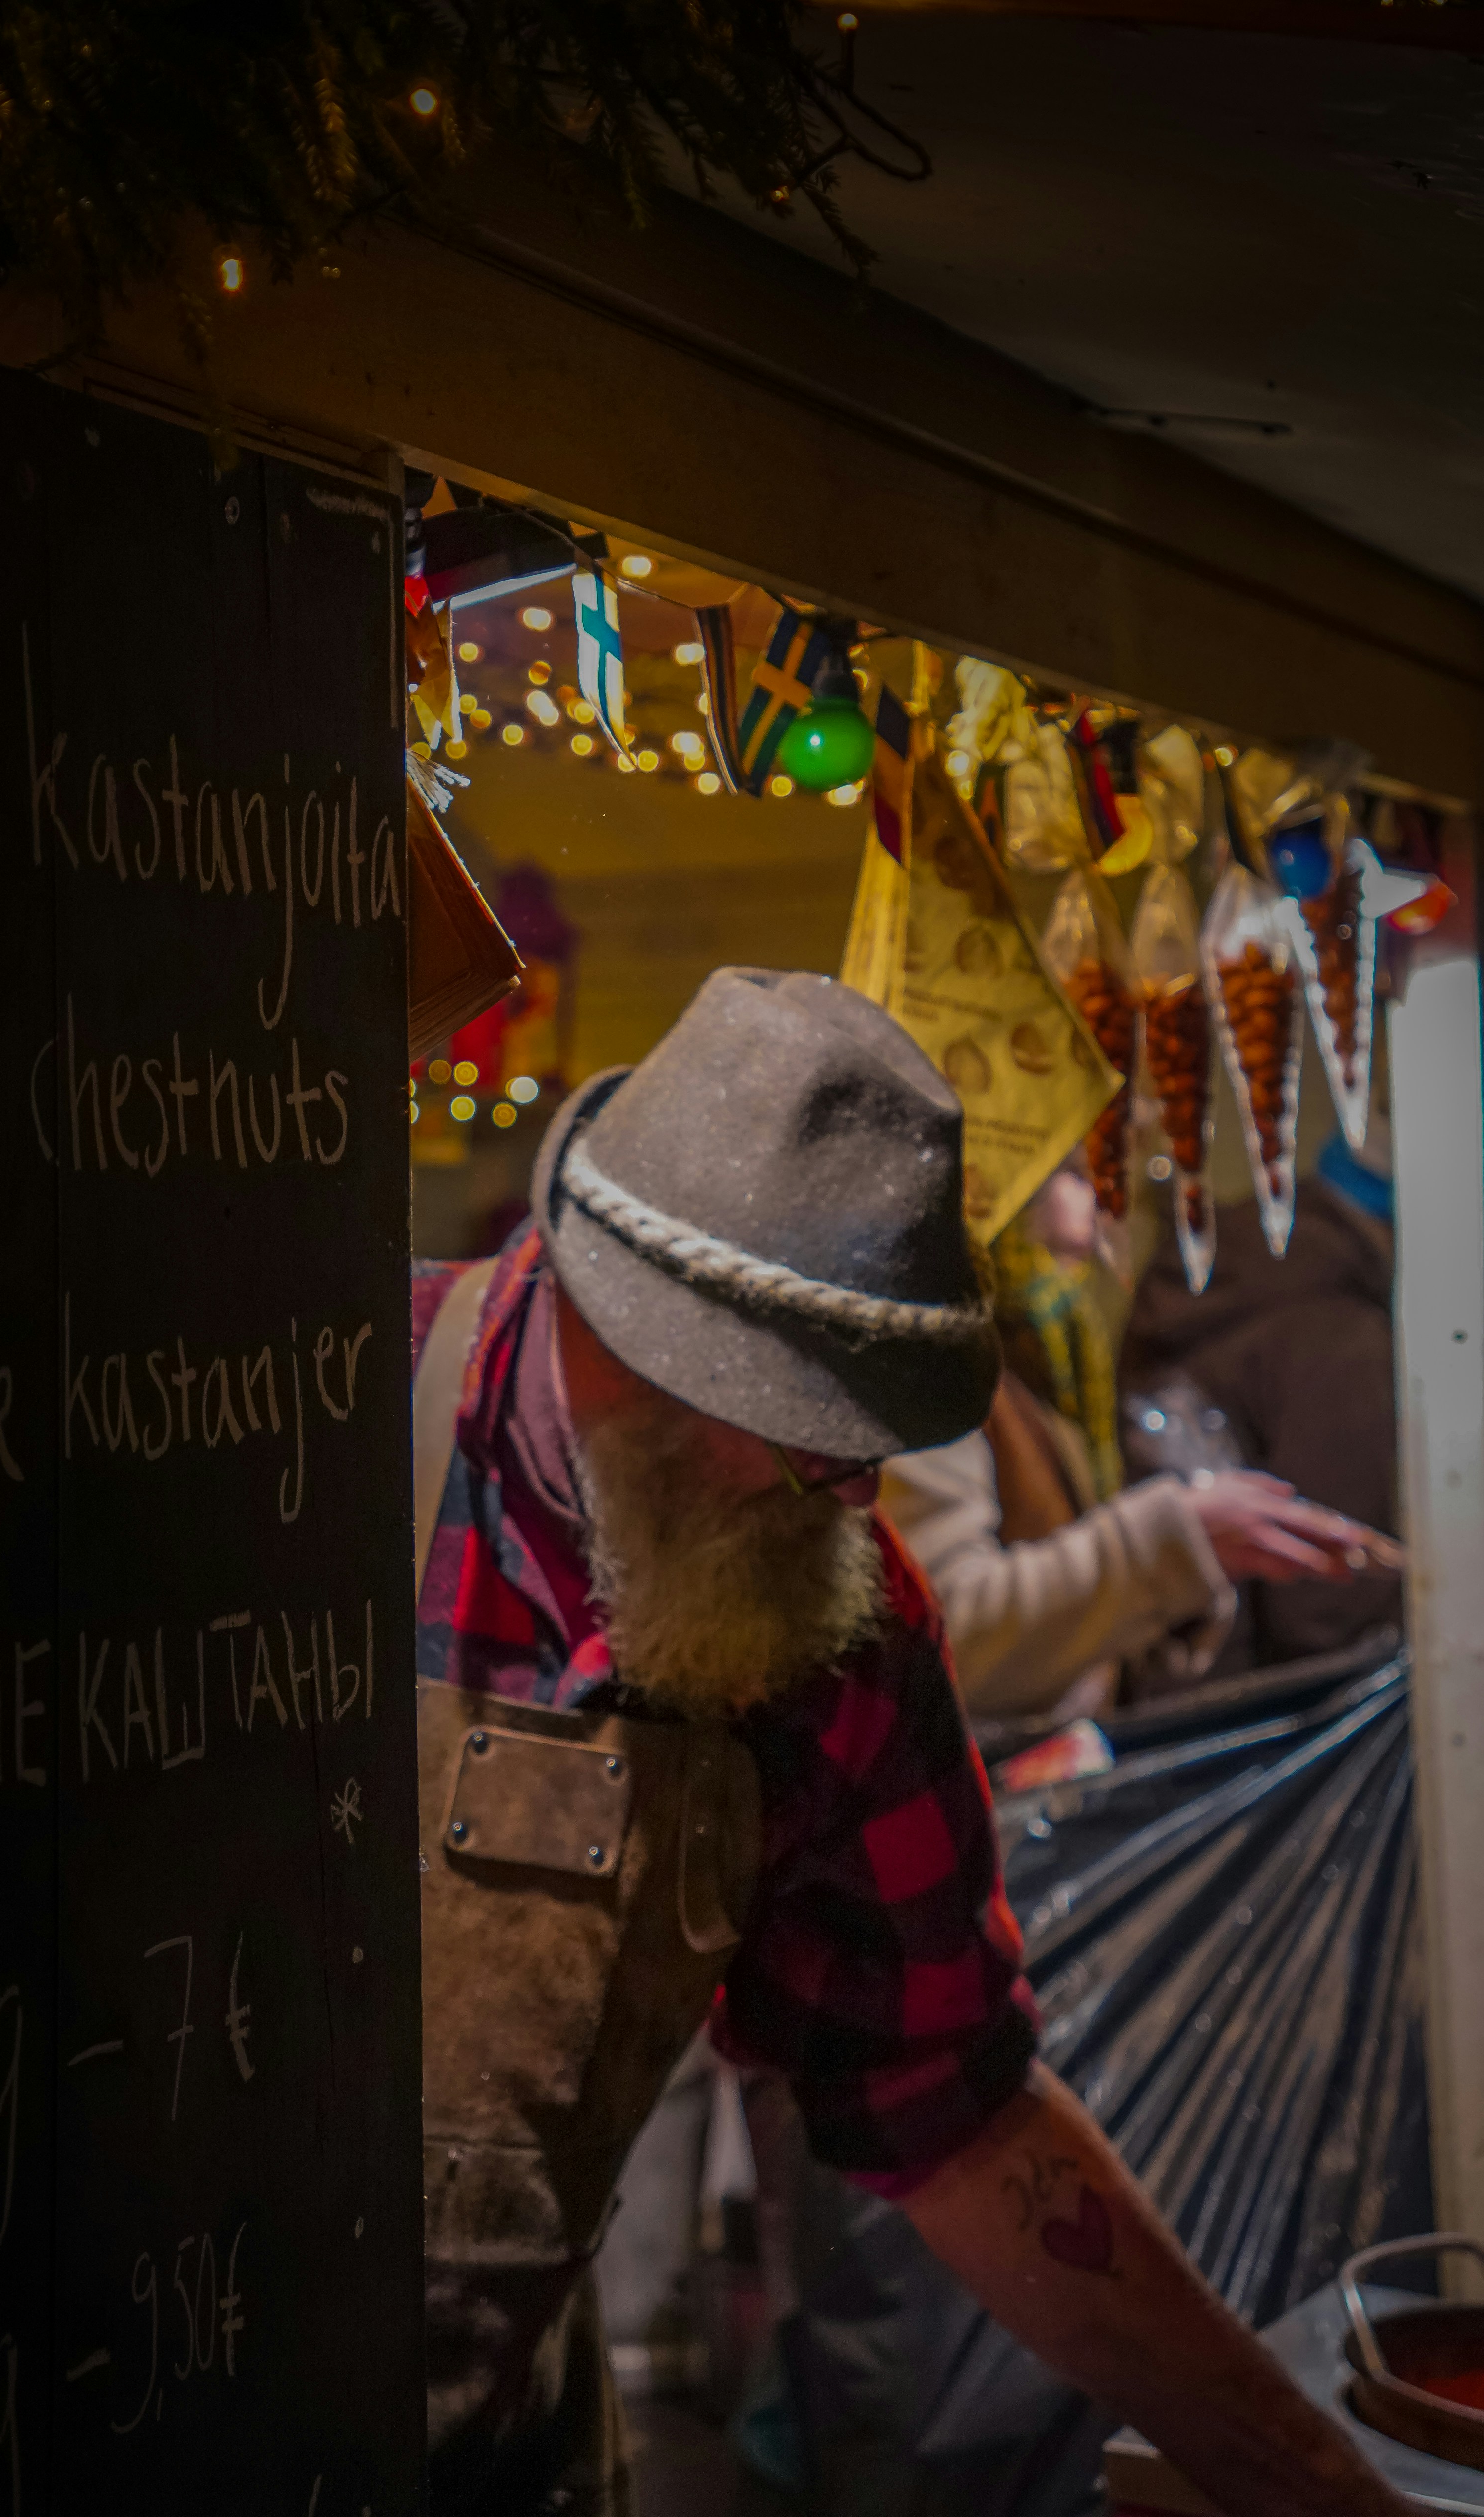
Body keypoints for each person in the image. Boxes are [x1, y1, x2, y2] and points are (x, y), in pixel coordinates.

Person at [411, 965, 1416, 2517]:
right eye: (806, 1425)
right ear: (630, 1324)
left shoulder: (826, 1608)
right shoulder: (307, 1413)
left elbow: (951, 2100)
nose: (853, 1496)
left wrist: (1310, 2484)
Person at [883, 1161, 1397, 1718]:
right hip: (985, 1789)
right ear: (991, 1186)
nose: (1099, 1215)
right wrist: (1173, 1540)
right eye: (1075, 1176)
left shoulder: (1048, 1362)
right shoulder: (927, 1366)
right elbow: (940, 1634)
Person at [1120, 1121, 1402, 1671]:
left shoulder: (1240, 1279)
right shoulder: (1337, 1331)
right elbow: (1333, 1602)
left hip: (1189, 1697)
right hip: (1272, 1720)